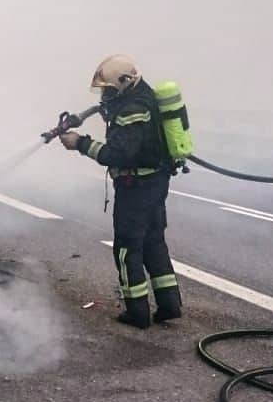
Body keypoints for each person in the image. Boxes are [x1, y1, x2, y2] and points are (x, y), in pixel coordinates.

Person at [60, 54, 182, 328]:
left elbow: (117, 154)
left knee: (127, 249)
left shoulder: (132, 110)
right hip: (155, 183)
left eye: (109, 89)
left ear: (124, 83)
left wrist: (79, 143)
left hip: (135, 188)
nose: (106, 95)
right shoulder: (142, 97)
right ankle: (169, 305)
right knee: (154, 243)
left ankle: (137, 312)